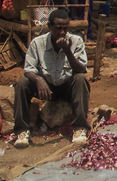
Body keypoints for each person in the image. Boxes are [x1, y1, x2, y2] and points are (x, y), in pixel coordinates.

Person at [13, 9, 90, 148]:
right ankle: (22, 131)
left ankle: (80, 129)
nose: (62, 32)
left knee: (80, 79)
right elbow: (29, 69)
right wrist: (38, 80)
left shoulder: (76, 41)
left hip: (66, 86)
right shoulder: (38, 43)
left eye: (65, 28)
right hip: (46, 88)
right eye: (58, 28)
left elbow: (81, 69)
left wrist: (67, 50)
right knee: (22, 83)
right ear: (49, 27)